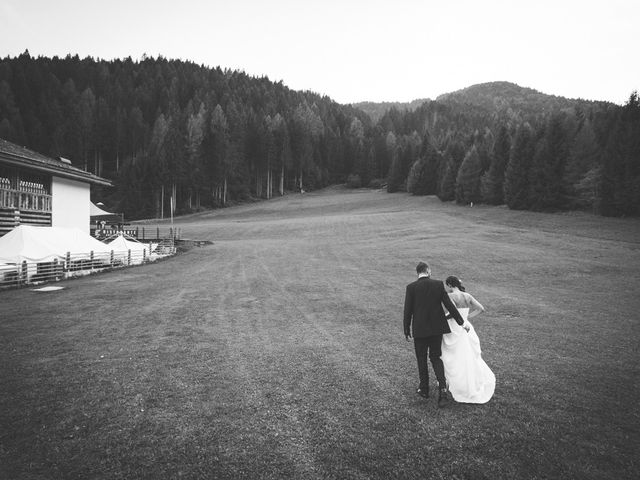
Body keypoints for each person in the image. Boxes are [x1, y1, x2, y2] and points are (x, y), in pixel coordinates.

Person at [403, 262, 465, 408]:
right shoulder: (438, 284)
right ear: (428, 271)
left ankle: (424, 389)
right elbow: (448, 304)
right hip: (437, 329)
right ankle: (443, 390)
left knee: (421, 358)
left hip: (420, 329)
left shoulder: (411, 287)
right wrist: (461, 321)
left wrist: (406, 330)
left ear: (417, 272)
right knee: (436, 357)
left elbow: (407, 311)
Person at [441, 276, 495, 404]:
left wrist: (441, 319)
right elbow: (481, 308)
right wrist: (468, 318)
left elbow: (452, 314)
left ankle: (454, 382)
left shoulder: (451, 297)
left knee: (453, 355)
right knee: (468, 355)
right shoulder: (467, 295)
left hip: (455, 327)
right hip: (466, 326)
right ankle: (468, 381)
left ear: (449, 284)